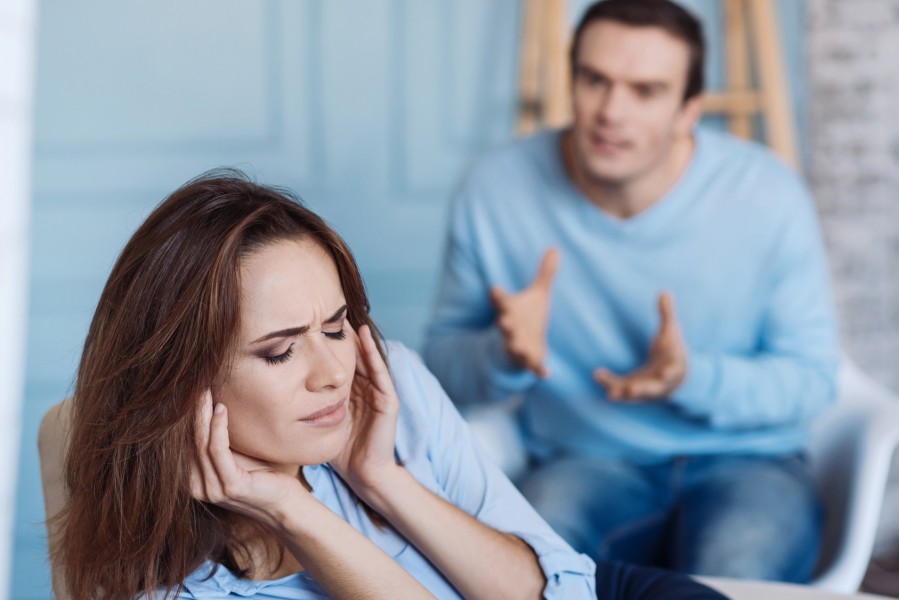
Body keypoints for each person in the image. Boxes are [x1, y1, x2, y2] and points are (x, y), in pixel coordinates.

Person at [424, 0, 838, 584]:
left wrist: (690, 379)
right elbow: (444, 361)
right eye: (595, 80)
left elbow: (812, 381)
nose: (611, 112)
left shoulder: (769, 194)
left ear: (689, 109)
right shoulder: (495, 189)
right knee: (518, 573)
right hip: (583, 459)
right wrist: (503, 354)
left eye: (645, 91)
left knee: (733, 570)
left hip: (749, 462)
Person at [51, 171, 598, 600]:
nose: (334, 374)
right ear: (181, 381)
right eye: (280, 351)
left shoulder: (387, 386)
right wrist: (291, 511)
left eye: (335, 328)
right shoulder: (178, 589)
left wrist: (384, 481)